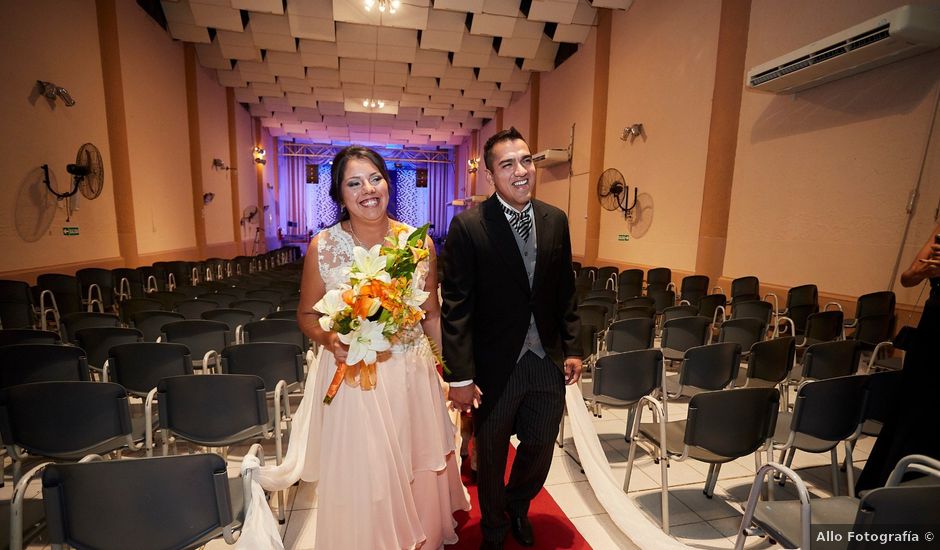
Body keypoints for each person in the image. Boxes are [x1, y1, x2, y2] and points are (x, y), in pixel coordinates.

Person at [250, 145, 469, 549]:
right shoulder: (324, 247)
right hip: (355, 379)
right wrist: (329, 338)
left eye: (375, 178)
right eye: (354, 182)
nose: (367, 189)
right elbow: (306, 316)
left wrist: (454, 375)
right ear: (339, 194)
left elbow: (432, 315)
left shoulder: (418, 244)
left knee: (415, 461)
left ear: (388, 184)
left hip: (411, 375)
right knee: (367, 472)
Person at [441, 127, 583, 550]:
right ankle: (494, 529)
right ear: (490, 176)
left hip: (545, 360)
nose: (521, 171)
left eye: (526, 160)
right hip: (494, 365)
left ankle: (518, 505)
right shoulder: (468, 226)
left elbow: (565, 290)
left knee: (540, 445)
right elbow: (457, 306)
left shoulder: (555, 219)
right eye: (507, 164)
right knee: (491, 452)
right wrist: (461, 377)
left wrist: (573, 347)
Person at [856, 223, 940, 492]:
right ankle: (890, 487)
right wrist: (921, 270)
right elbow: (907, 277)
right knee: (913, 407)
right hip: (934, 328)